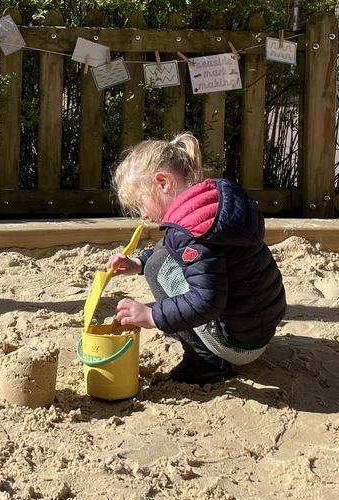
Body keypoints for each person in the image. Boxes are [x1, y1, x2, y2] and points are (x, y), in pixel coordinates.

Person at [107, 133, 286, 385]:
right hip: (258, 329)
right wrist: (138, 263)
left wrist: (152, 316)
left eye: (140, 204)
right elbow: (174, 248)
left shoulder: (191, 232)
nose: (143, 215)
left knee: (158, 268)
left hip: (238, 345)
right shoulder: (210, 203)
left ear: (163, 183)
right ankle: (200, 341)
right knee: (159, 255)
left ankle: (205, 361)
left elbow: (207, 300)